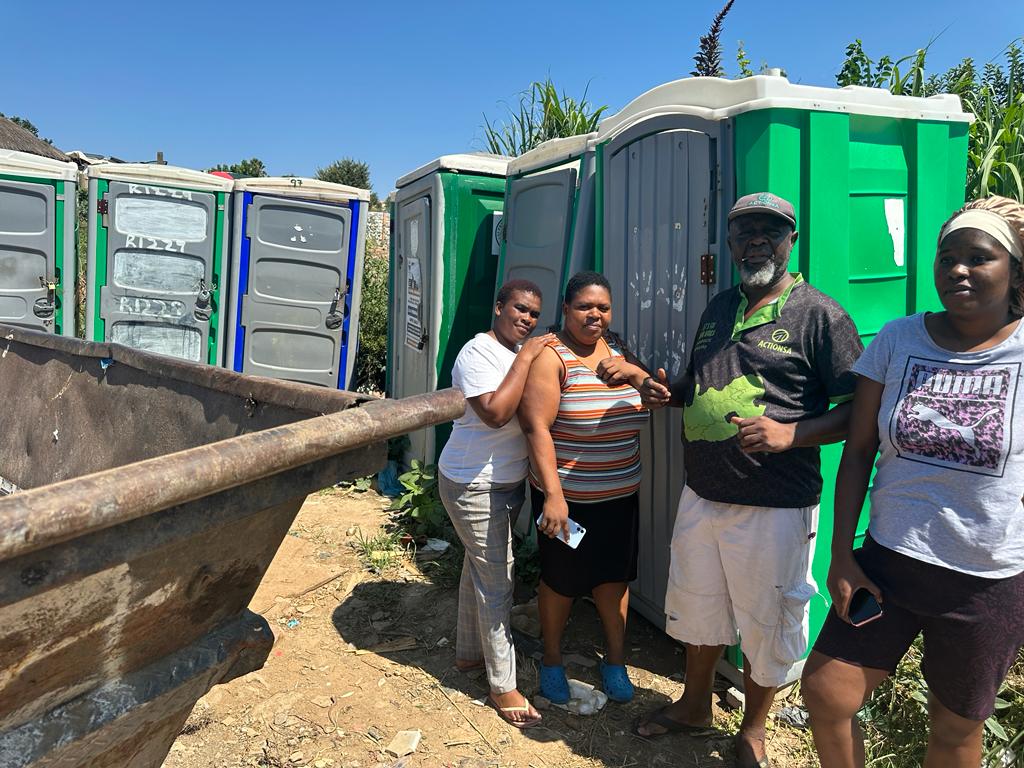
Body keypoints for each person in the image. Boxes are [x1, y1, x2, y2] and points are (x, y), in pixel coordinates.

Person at [630, 193, 864, 768]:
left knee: (769, 621)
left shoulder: (819, 315)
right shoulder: (718, 308)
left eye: (769, 231)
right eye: (744, 232)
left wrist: (794, 434)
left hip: (775, 505)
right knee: (698, 606)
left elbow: (859, 411)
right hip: (703, 493)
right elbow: (701, 379)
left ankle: (755, 730)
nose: (756, 241)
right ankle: (693, 706)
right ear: (730, 244)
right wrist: (672, 393)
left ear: (792, 241)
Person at [801, 195, 1024, 768]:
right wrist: (841, 554)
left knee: (954, 733)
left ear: (1015, 269)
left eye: (979, 257)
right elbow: (858, 451)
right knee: (826, 694)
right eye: (947, 256)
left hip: (985, 581)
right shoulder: (900, 339)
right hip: (890, 560)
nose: (958, 269)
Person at [517, 270, 650, 705]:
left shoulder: (620, 351)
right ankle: (552, 661)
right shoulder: (552, 357)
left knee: (614, 581)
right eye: (584, 306)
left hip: (619, 496)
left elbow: (654, 397)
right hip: (567, 499)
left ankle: (614, 661)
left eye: (603, 307)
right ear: (566, 309)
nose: (595, 314)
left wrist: (635, 373)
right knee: (562, 582)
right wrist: (553, 496)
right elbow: (536, 427)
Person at [437, 279, 555, 729]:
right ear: (498, 306)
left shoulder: (515, 351)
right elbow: (495, 412)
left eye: (532, 314)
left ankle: (470, 655)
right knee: (498, 580)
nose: (526, 319)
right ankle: (502, 684)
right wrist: (527, 356)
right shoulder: (478, 353)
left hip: (506, 482)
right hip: (472, 482)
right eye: (519, 309)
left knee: (479, 569)